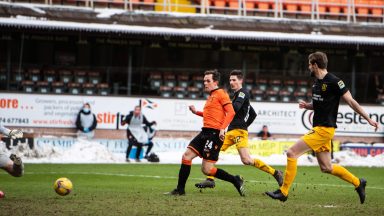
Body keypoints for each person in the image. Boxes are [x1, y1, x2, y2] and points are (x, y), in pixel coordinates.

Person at [265, 51, 379, 204]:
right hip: (320, 128)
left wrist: (368, 119)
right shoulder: (316, 83)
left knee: (291, 153)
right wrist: (309, 106)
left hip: (324, 130)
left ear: (315, 65)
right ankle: (359, 183)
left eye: (309, 64)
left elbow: (351, 101)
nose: (308, 67)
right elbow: (322, 104)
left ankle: (283, 191)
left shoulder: (335, 81)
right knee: (326, 167)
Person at [195, 70, 283, 189]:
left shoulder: (242, 93)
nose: (231, 82)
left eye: (234, 80)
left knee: (246, 160)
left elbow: (235, 108)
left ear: (241, 81)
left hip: (238, 132)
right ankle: (210, 179)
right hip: (231, 131)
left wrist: (241, 125)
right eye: (230, 80)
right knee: (215, 151)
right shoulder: (237, 96)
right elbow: (253, 114)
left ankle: (276, 173)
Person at [166, 69, 244, 196]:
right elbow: (210, 115)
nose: (205, 83)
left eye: (208, 81)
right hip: (205, 132)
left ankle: (235, 180)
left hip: (214, 135)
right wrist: (196, 112)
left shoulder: (221, 93)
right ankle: (180, 190)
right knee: (186, 156)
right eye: (204, 81)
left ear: (215, 82)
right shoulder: (211, 96)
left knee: (207, 170)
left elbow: (231, 112)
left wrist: (222, 129)